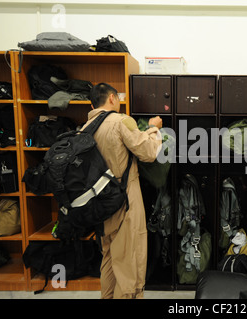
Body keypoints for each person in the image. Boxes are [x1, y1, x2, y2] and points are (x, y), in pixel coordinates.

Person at [83, 83, 163, 299]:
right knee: (130, 262)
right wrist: (154, 128)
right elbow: (148, 152)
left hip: (100, 205)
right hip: (124, 202)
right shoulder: (120, 121)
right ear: (111, 98)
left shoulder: (85, 128)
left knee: (109, 259)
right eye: (117, 98)